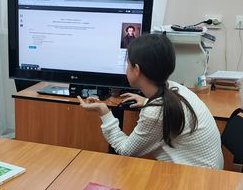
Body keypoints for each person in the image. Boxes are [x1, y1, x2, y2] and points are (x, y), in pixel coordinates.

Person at [78, 33, 223, 169]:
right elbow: (161, 112)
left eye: (128, 64)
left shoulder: (155, 112)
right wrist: (148, 101)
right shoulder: (176, 88)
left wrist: (104, 112)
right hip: (209, 173)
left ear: (136, 70)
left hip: (194, 180)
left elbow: (125, 150)